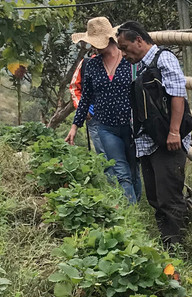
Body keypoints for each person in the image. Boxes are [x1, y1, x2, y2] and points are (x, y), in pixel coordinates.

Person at [116, 20, 189, 248]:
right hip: (147, 142)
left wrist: (174, 132)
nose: (123, 54)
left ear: (139, 40)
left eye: (125, 48)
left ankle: (177, 248)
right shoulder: (139, 65)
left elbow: (178, 95)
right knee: (155, 198)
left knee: (169, 198)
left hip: (167, 142)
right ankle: (167, 243)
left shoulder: (163, 59)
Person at [66, 17, 140, 204]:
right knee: (121, 172)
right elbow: (85, 97)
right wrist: (75, 125)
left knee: (134, 171)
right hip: (106, 127)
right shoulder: (90, 65)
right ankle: (129, 214)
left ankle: (136, 208)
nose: (94, 47)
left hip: (131, 125)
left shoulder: (130, 61)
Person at [69, 50, 100, 152]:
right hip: (93, 116)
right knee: (104, 156)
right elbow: (74, 87)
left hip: (120, 118)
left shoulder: (122, 60)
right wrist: (83, 110)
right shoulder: (86, 63)